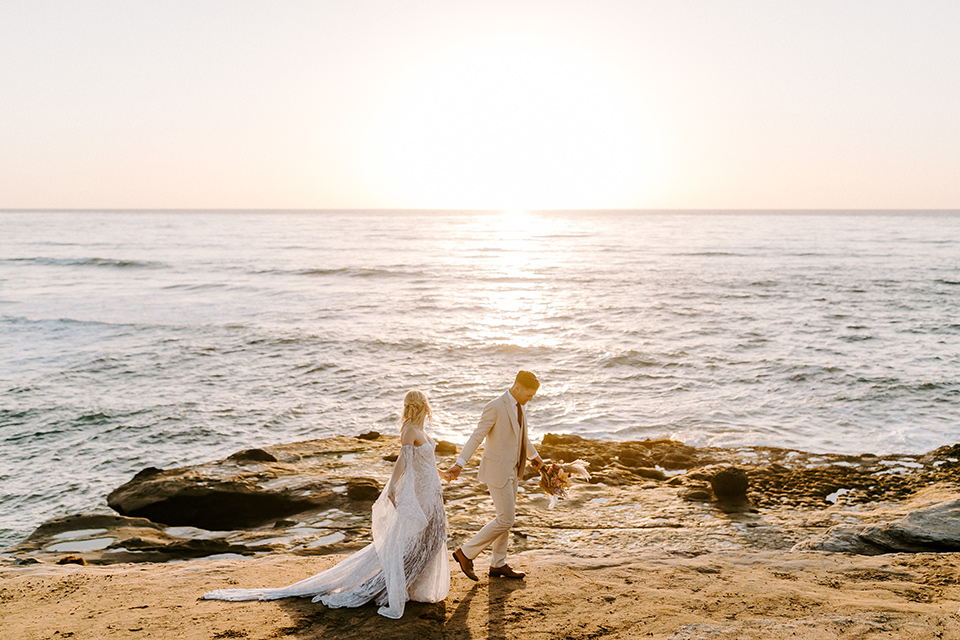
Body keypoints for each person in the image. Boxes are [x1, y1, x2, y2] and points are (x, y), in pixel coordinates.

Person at [203, 390, 449, 619]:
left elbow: (426, 464)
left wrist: (443, 475)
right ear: (419, 407)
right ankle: (389, 587)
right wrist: (393, 487)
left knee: (434, 538)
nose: (423, 409)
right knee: (420, 541)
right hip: (421, 494)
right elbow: (402, 463)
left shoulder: (421, 431)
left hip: (432, 490)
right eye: (421, 405)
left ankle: (412, 585)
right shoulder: (409, 431)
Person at [441, 370, 544, 580]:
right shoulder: (495, 407)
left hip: (513, 471)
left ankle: (498, 564)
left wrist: (536, 458)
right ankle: (466, 553)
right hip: (496, 471)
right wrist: (459, 464)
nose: (530, 399)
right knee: (506, 519)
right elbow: (477, 436)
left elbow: (522, 437)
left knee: (504, 518)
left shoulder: (520, 407)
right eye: (529, 394)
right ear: (517, 388)